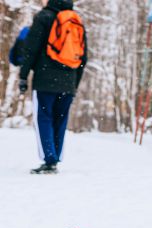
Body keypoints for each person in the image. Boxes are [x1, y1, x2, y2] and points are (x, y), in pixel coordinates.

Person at [19, 0, 87, 175]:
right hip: (68, 82)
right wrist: (74, 84)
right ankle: (54, 159)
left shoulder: (44, 17)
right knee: (60, 119)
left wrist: (23, 75)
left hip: (45, 80)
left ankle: (49, 160)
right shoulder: (76, 20)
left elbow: (31, 49)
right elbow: (83, 57)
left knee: (44, 118)